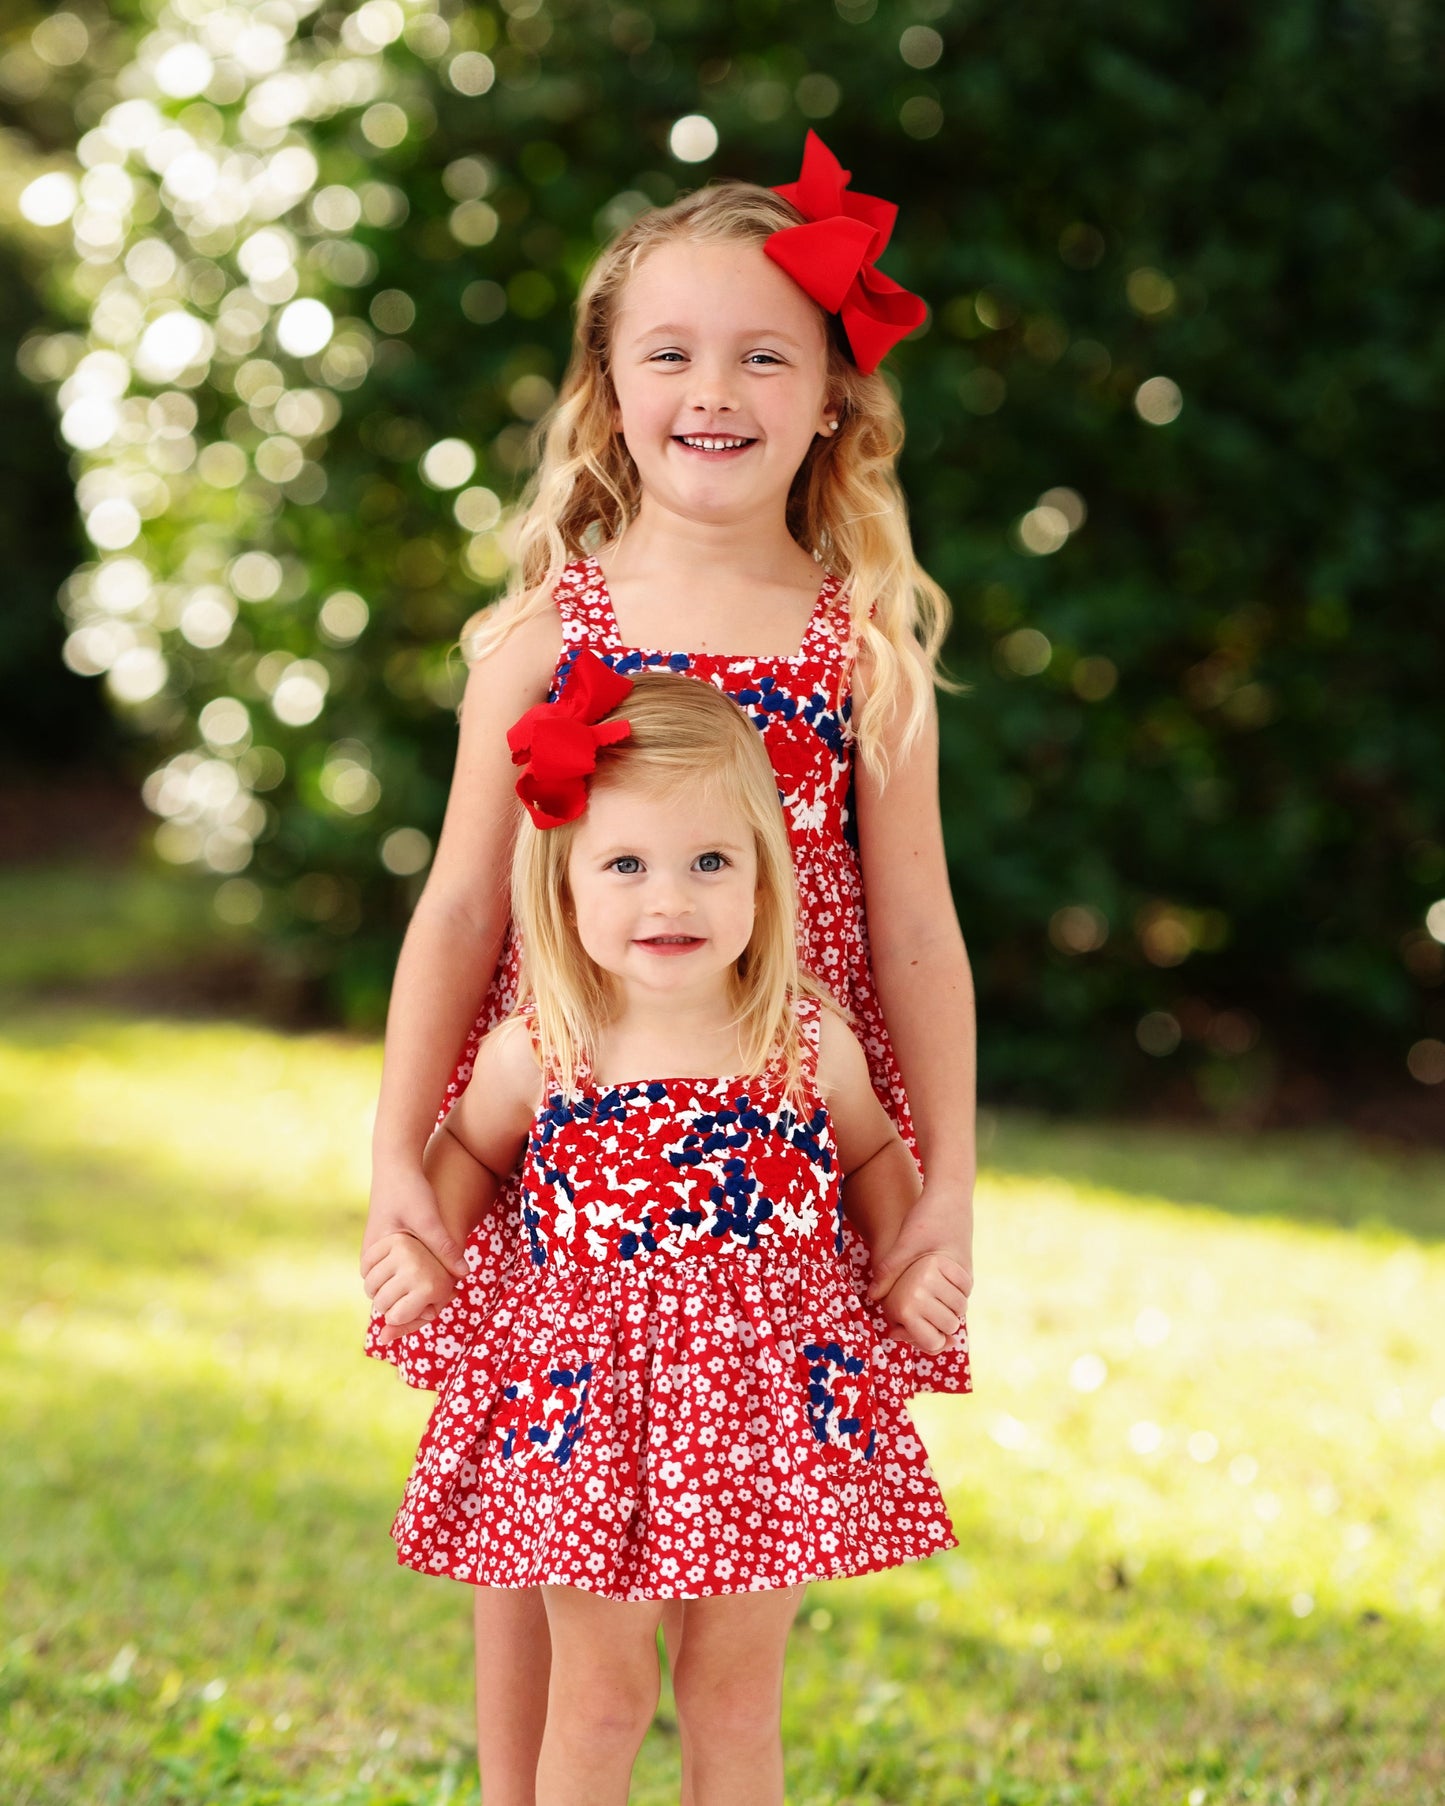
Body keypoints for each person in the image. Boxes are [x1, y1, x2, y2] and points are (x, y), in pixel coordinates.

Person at [361, 131, 977, 1802]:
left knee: (734, 1541)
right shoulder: (548, 634)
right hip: (565, 1105)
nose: (717, 388)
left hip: (777, 1125)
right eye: (672, 352)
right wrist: (397, 1163)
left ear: (835, 394)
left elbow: (913, 922)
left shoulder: (861, 638)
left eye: (765, 352)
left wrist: (942, 1189)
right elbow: (466, 908)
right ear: (608, 386)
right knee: (540, 1500)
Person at [363, 670, 966, 1806]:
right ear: (568, 880)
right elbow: (468, 1167)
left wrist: (904, 1256)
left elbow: (875, 1155)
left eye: (708, 862)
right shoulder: (542, 1046)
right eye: (626, 864)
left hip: (761, 1415)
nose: (668, 899)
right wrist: (420, 1248)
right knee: (599, 1698)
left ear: (761, 872)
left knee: (734, 1699)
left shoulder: (801, 1035)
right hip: (586, 1416)